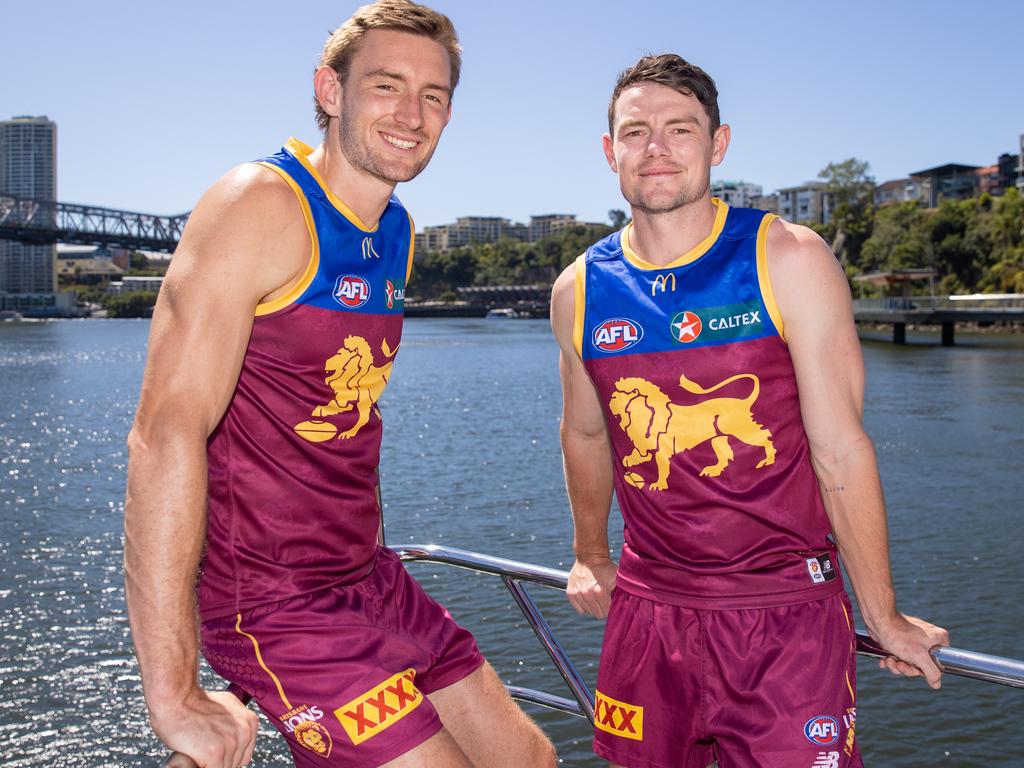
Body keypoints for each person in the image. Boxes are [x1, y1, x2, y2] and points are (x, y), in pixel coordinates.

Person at [124, 3, 556, 767]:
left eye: (433, 96)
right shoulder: (259, 203)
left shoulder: (396, 229)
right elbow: (164, 433)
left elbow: (343, 418)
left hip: (368, 579)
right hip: (274, 603)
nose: (411, 115)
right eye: (386, 86)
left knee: (530, 759)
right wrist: (175, 693)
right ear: (330, 90)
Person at [550, 53, 950, 768]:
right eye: (636, 132)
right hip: (648, 607)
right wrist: (589, 554)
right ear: (611, 152)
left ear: (718, 144)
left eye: (680, 129)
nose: (657, 149)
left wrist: (881, 613)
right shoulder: (579, 288)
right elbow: (586, 431)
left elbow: (840, 451)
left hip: (783, 612)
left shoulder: (786, 258)